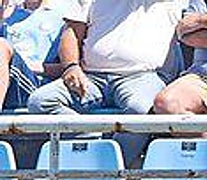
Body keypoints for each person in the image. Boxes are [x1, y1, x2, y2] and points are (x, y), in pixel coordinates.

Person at [27, 0, 185, 115]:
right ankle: (94, 145)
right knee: (40, 102)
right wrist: (71, 66)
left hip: (143, 77)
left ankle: (111, 156)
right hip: (91, 77)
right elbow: (72, 33)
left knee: (140, 110)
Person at [0, 0, 75, 111]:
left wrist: (35, 67)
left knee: (1, 45)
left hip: (36, 86)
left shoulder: (65, 14)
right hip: (8, 82)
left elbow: (70, 68)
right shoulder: (10, 14)